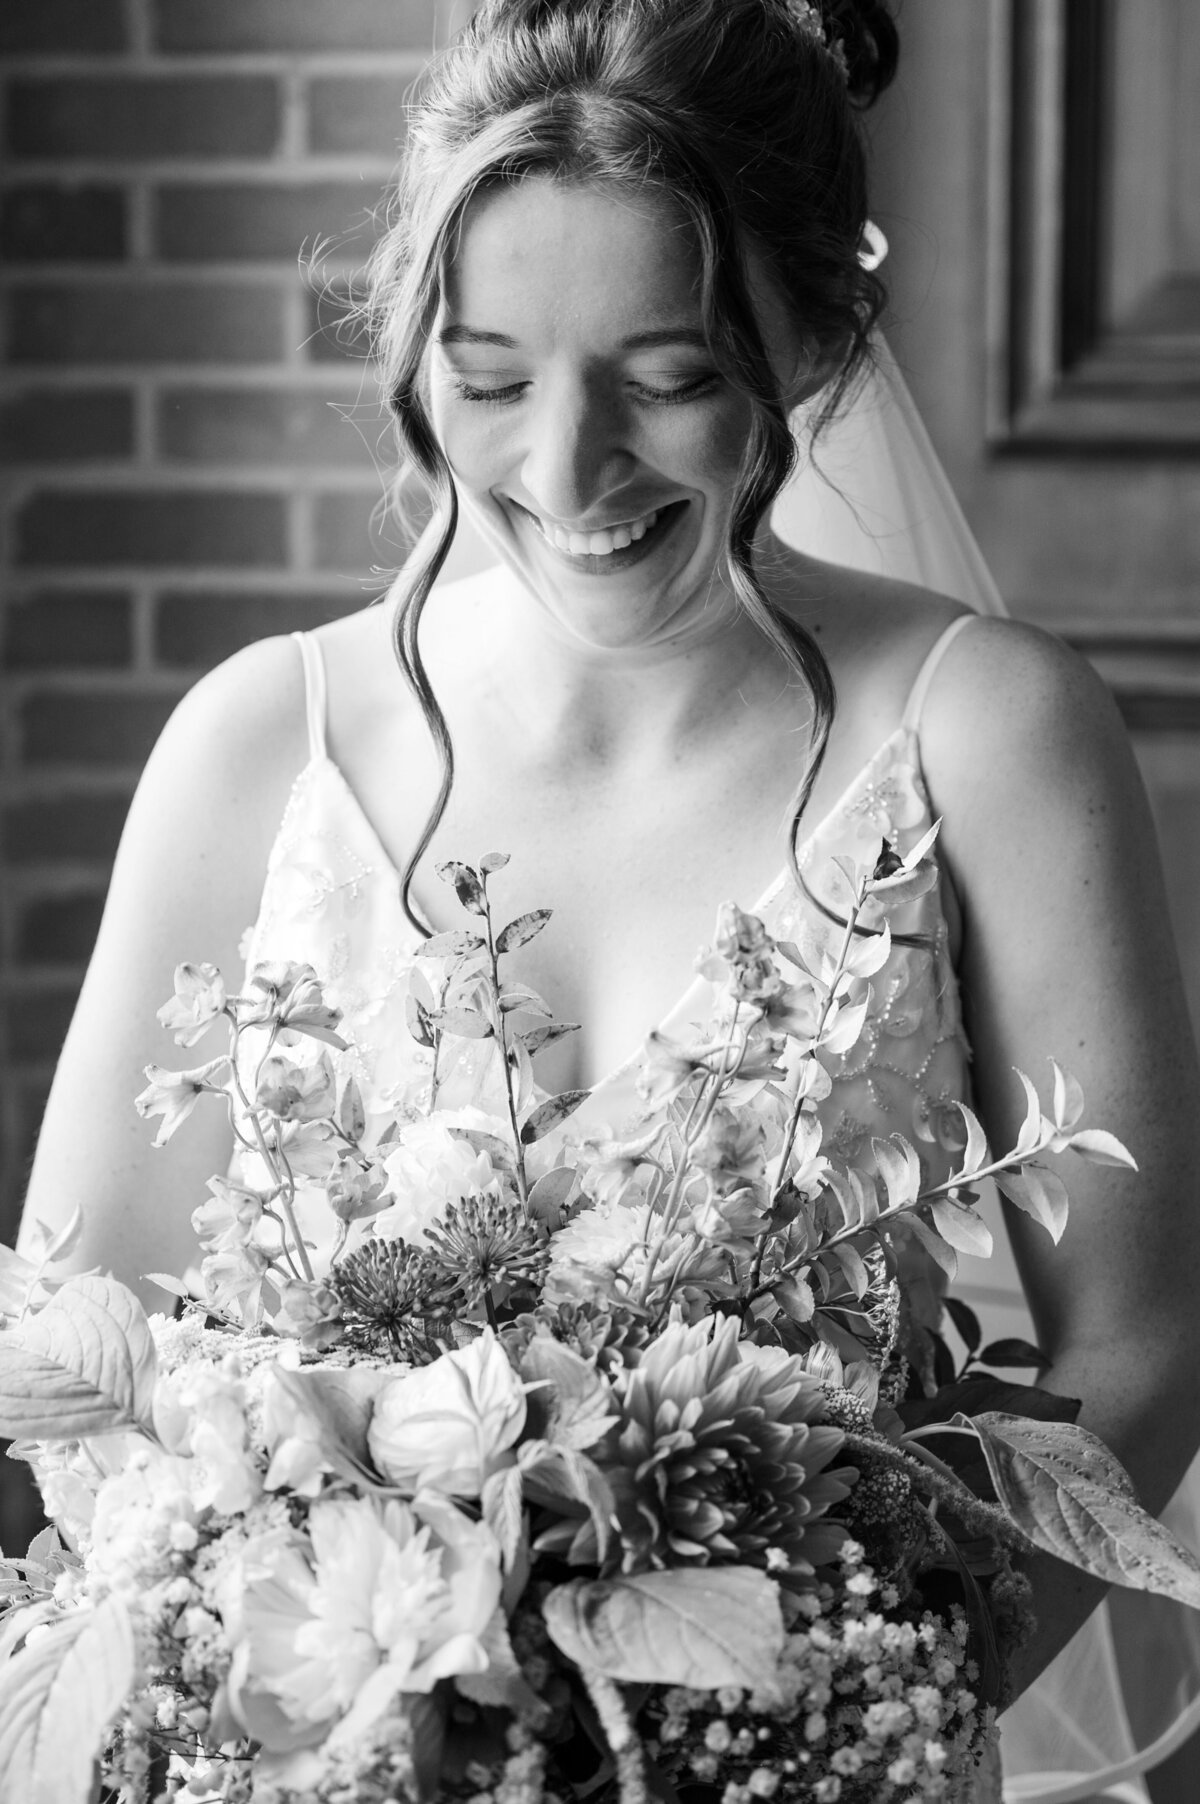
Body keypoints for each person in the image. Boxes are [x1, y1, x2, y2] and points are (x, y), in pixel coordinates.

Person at [16, 1, 1200, 1796]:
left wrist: (821, 1731)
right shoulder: (267, 739)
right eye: (490, 380)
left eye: (667, 378)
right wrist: (278, 1714)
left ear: (816, 335)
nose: (567, 474)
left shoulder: (989, 732)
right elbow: (66, 1337)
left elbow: (1139, 1337)